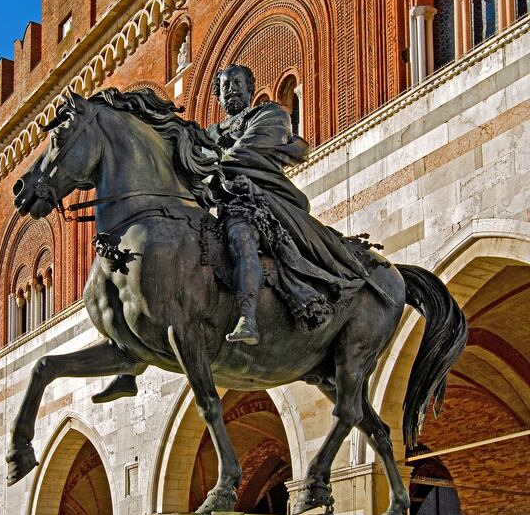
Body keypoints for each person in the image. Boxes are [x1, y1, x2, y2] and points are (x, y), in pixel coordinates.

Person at [92, 64, 383, 403]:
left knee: (240, 238)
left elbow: (246, 153)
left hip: (252, 201)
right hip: (212, 206)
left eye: (238, 84)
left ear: (250, 87)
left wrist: (205, 165)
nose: (231, 90)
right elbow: (177, 156)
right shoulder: (210, 133)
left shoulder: (269, 115)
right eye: (224, 86)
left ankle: (248, 317)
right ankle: (130, 359)